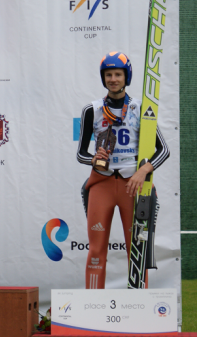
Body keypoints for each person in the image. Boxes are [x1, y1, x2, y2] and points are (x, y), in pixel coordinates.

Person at [77, 51, 169, 289]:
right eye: (108, 75)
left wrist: (143, 170)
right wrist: (94, 160)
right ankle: (93, 304)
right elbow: (81, 153)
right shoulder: (92, 109)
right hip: (102, 184)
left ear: (126, 76)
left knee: (137, 250)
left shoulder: (141, 108)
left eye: (118, 74)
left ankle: (138, 304)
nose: (113, 79)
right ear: (103, 78)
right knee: (96, 250)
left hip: (134, 185)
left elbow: (163, 150)